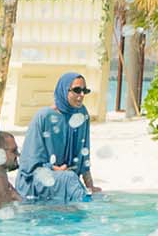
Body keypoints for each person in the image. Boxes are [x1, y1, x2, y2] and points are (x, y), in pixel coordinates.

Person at [16, 72, 97, 204]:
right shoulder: (43, 117)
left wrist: (90, 185)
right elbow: (28, 163)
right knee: (70, 179)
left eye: (84, 91)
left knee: (74, 182)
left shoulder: (82, 114)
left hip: (66, 177)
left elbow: (84, 153)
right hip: (38, 178)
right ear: (64, 90)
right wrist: (54, 169)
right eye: (77, 90)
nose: (81, 95)